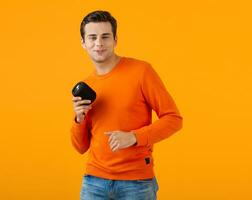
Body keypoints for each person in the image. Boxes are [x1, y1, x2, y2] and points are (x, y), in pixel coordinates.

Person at [71, 10, 183, 200]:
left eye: (105, 37)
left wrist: (134, 137)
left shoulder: (141, 71)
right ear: (83, 43)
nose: (98, 43)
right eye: (92, 37)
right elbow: (80, 147)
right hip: (94, 182)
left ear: (115, 40)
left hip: (136, 183)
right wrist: (79, 118)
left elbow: (174, 119)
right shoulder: (87, 85)